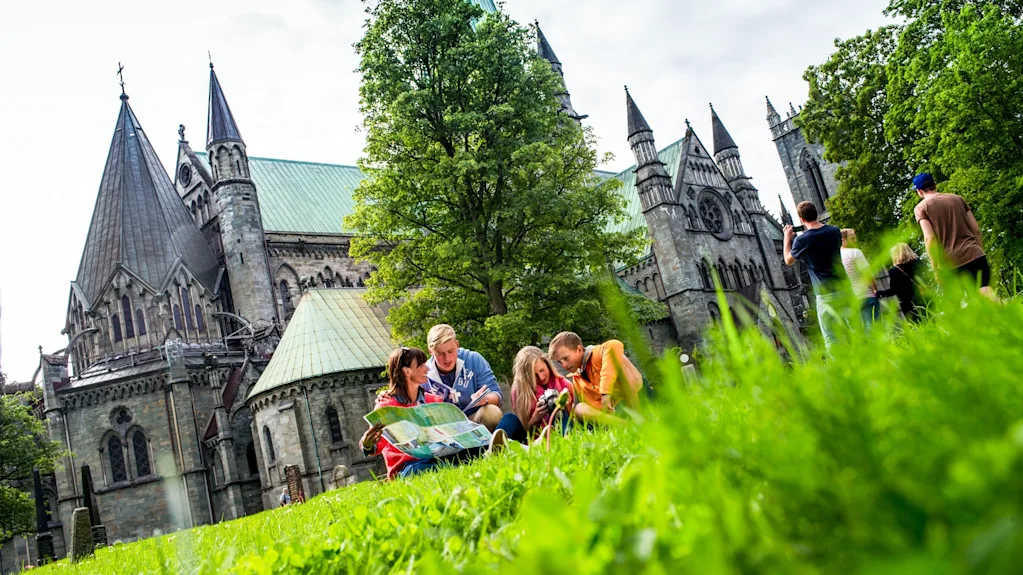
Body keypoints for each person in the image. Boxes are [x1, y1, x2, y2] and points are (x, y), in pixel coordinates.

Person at [360, 346, 518, 479]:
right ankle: (492, 454)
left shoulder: (433, 400)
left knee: (510, 420)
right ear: (407, 371)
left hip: (445, 456)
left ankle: (497, 449)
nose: (427, 368)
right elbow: (375, 446)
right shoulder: (387, 407)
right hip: (410, 466)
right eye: (421, 365)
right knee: (428, 470)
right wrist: (367, 444)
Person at [912, 173, 996, 300]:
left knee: (960, 301)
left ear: (919, 191)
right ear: (935, 185)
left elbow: (930, 238)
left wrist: (935, 268)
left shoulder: (922, 208)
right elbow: (976, 230)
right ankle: (1008, 316)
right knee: (984, 289)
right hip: (974, 252)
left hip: (950, 262)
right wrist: (979, 251)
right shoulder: (957, 199)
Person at [783, 201, 847, 349]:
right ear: (816, 214)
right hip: (844, 286)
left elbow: (788, 261)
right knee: (855, 327)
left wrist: (787, 239)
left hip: (825, 293)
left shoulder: (802, 240)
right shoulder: (834, 231)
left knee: (831, 337)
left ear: (801, 219)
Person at [424, 324, 504, 432]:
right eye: (440, 354)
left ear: (457, 345)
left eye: (451, 351)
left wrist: (484, 399)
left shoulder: (473, 359)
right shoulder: (423, 373)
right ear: (430, 351)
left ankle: (488, 446)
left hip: (473, 420)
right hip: (443, 429)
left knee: (492, 413)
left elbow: (497, 395)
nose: (447, 358)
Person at [548, 332, 641, 423]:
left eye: (566, 358)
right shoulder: (576, 378)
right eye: (559, 362)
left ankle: (638, 416)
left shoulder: (596, 354)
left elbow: (614, 345)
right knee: (579, 408)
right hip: (613, 413)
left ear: (579, 349)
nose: (564, 365)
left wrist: (605, 393)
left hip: (636, 397)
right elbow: (592, 406)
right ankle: (625, 425)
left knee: (620, 365)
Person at [510, 346, 575, 439]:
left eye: (542, 370)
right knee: (509, 419)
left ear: (547, 365)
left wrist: (565, 406)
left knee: (557, 406)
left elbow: (575, 421)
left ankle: (567, 440)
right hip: (536, 440)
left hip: (563, 432)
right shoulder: (519, 392)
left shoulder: (565, 385)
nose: (541, 377)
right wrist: (535, 418)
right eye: (534, 375)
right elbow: (522, 432)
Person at [840, 229, 880, 328]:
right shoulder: (855, 252)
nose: (855, 241)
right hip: (866, 295)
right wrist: (875, 289)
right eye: (852, 239)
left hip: (849, 300)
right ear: (843, 240)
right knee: (874, 329)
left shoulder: (835, 257)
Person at [877, 243, 927, 323]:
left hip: (909, 304)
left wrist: (879, 293)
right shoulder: (919, 263)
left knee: (918, 325)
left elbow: (895, 290)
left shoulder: (894, 271)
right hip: (925, 297)